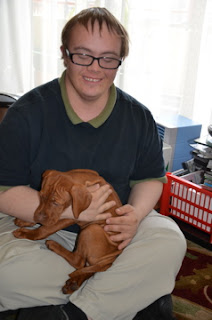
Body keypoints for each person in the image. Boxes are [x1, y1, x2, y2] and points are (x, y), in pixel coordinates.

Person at [0, 7, 186, 320]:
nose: (95, 68)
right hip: (41, 222)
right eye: (83, 55)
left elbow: (150, 178)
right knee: (8, 274)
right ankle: (132, 294)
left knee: (169, 241)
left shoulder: (137, 117)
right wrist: (75, 211)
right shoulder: (26, 114)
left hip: (115, 230)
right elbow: (4, 190)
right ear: (65, 54)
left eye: (108, 58)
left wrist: (135, 216)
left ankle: (73, 313)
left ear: (120, 61)